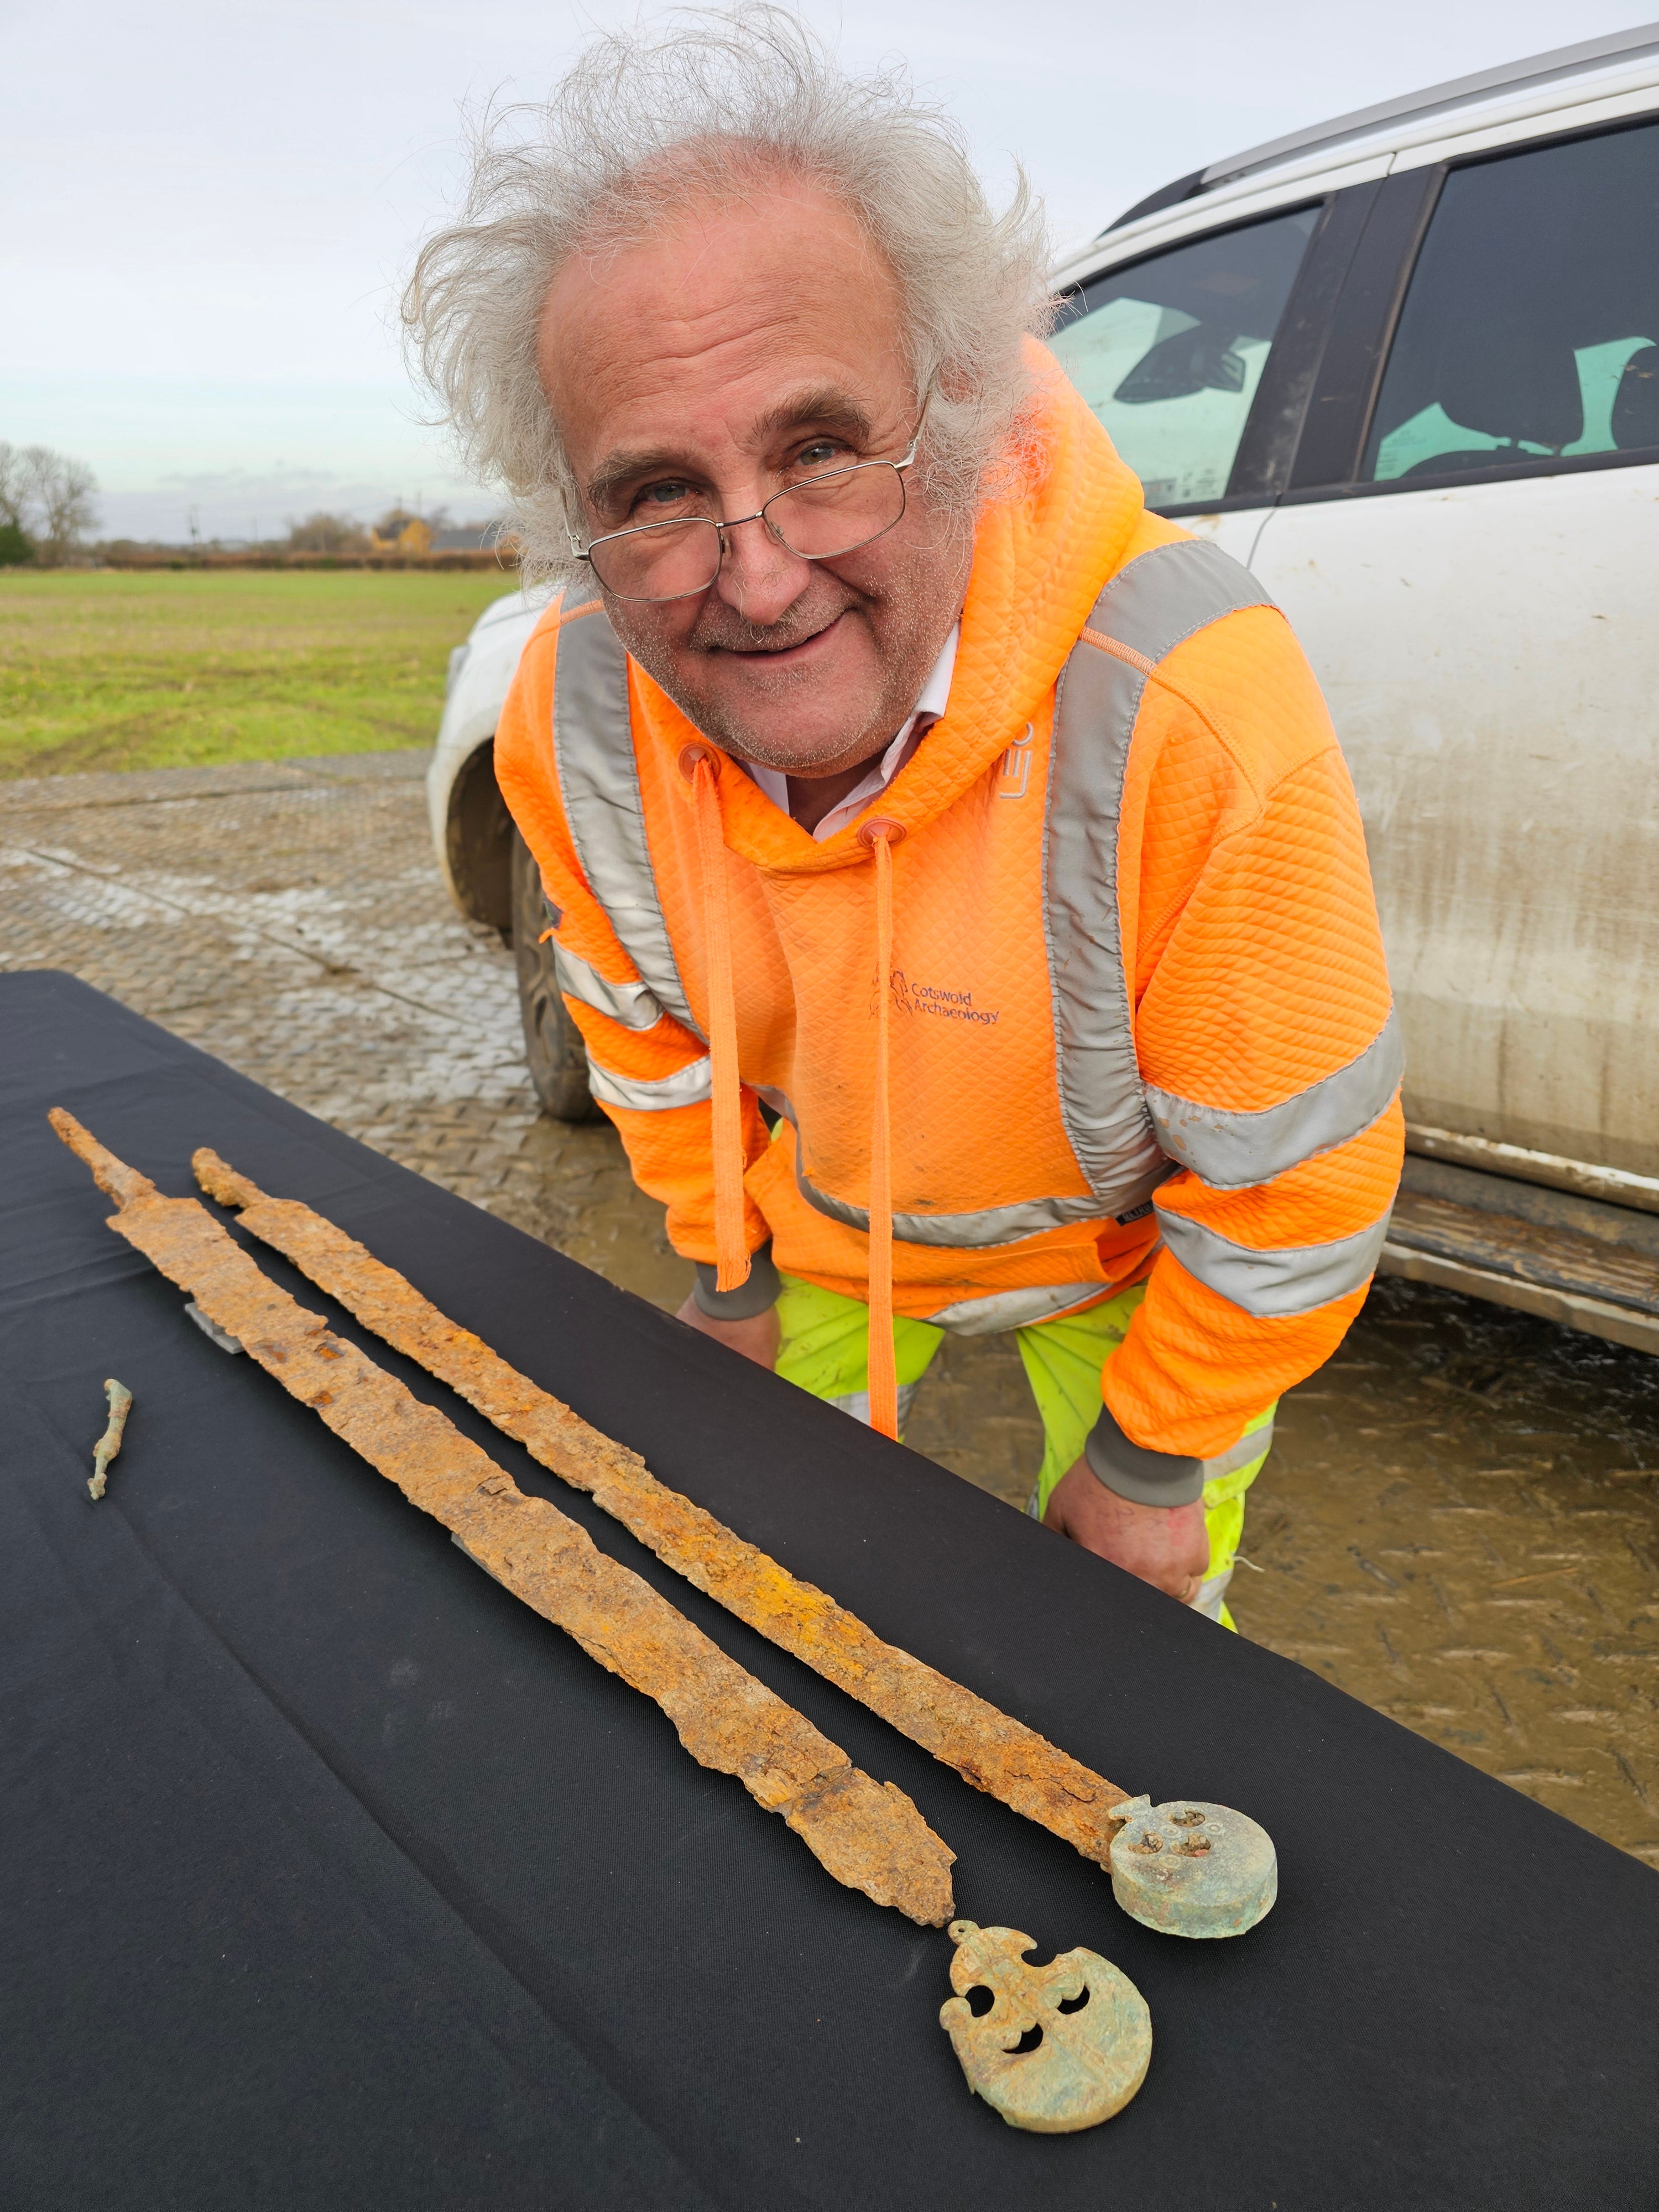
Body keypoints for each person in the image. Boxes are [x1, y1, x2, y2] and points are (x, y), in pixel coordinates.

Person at [403, 7, 1403, 1625]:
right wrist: (723, 1274)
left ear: (957, 417)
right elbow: (645, 1038)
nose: (759, 571)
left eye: (821, 449)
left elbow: (1298, 1178)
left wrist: (1154, 1466)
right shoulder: (576, 714)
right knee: (738, 1585)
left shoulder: (1189, 702)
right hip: (824, 1237)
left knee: (1144, 1654)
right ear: (568, 511)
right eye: (655, 492)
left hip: (1127, 1269)